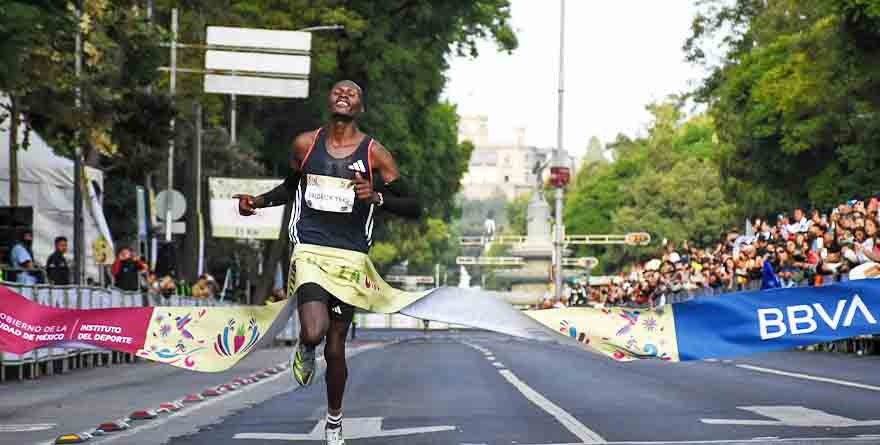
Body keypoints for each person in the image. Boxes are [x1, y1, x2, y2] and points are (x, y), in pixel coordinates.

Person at [233, 80, 421, 445]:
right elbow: (290, 188)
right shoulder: (306, 145)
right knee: (315, 331)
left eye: (353, 93)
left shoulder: (374, 154)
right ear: (328, 101)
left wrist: (377, 197)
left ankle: (334, 421)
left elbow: (412, 205)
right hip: (310, 249)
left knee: (336, 345)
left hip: (350, 256)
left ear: (360, 108)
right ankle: (305, 345)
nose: (345, 95)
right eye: (339, 91)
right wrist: (256, 202)